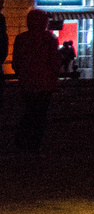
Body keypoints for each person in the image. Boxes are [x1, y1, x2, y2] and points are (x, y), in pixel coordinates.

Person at [13, 9, 59, 153]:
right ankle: (33, 143)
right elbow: (55, 61)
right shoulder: (49, 38)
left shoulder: (21, 38)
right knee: (40, 114)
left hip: (27, 82)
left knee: (29, 110)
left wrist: (22, 74)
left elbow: (16, 62)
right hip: (45, 82)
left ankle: (22, 138)